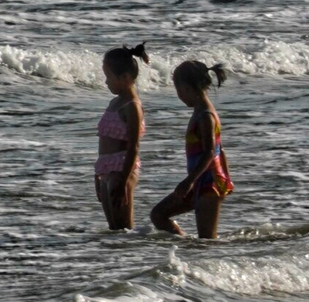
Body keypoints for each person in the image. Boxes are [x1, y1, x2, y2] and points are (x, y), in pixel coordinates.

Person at [151, 60, 234, 239]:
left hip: (209, 184)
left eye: (178, 90)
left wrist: (189, 181)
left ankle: (202, 256)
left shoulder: (205, 116)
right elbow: (221, 149)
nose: (179, 95)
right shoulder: (199, 111)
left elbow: (211, 151)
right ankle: (183, 246)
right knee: (158, 215)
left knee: (207, 240)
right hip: (198, 181)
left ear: (187, 88)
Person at [95, 43, 150, 229]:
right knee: (114, 232)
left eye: (109, 77)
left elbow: (133, 146)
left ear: (125, 77)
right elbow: (104, 143)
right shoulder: (114, 103)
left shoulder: (132, 107)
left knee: (124, 230)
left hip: (121, 171)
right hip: (106, 170)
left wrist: (123, 181)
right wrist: (98, 175)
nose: (106, 82)